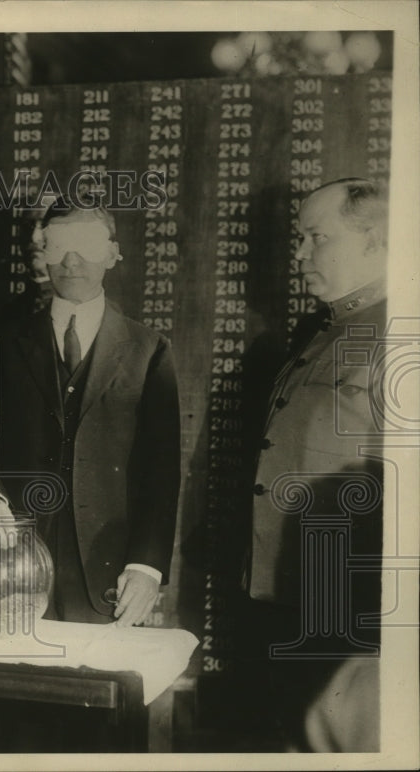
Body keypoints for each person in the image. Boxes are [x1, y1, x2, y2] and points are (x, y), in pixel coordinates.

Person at [0, 198, 181, 626]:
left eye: (86, 244)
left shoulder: (150, 350)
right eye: (58, 245)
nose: (71, 259)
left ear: (114, 253)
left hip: (107, 575)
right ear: (42, 253)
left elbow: (161, 470)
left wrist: (147, 566)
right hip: (10, 563)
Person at [244, 178, 386, 748]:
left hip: (348, 603)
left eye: (316, 237)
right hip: (286, 590)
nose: (301, 253)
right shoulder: (318, 328)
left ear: (375, 240)